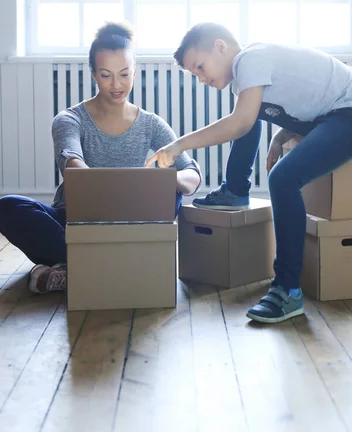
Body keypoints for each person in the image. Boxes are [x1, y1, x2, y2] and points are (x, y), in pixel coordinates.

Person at [146, 22, 352, 325]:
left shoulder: (250, 59)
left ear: (220, 46)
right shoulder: (248, 72)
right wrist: (280, 136)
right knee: (248, 112)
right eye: (195, 75)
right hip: (333, 115)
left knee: (282, 179)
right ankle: (235, 190)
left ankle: (287, 290)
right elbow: (293, 103)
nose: (202, 78)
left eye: (201, 67)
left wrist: (178, 145)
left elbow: (240, 123)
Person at [0, 23, 201, 295]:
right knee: (9, 207)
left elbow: (192, 176)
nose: (117, 85)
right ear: (94, 74)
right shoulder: (70, 119)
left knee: (172, 194)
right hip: (75, 220)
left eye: (124, 75)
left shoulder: (151, 124)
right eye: (106, 75)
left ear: (135, 73)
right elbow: (74, 167)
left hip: (129, 222)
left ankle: (77, 270)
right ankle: (112, 266)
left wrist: (167, 179)